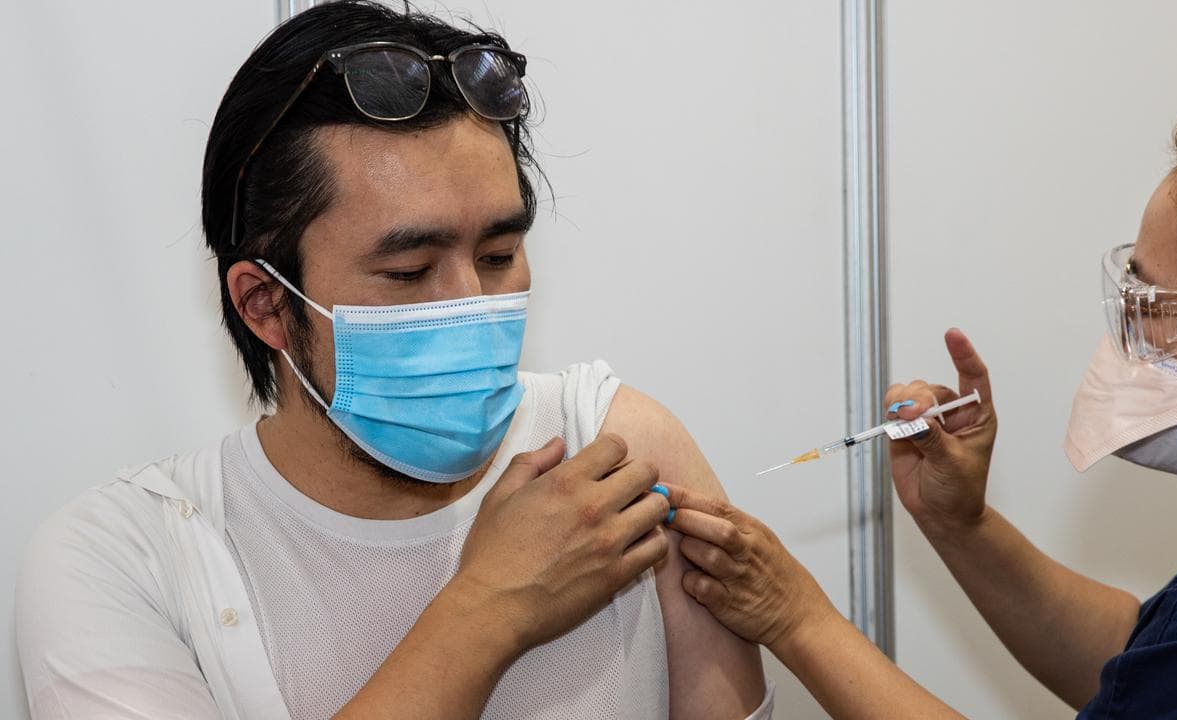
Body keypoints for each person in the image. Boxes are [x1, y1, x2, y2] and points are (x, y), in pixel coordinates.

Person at [14, 2, 772, 718]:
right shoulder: (124, 559)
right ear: (265, 305)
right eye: (409, 273)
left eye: (500, 254)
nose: (470, 303)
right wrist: (489, 609)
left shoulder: (618, 457)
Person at [663, 99, 1177, 719]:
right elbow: (1150, 667)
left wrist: (796, 617)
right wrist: (960, 522)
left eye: (1150, 305)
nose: (1126, 330)